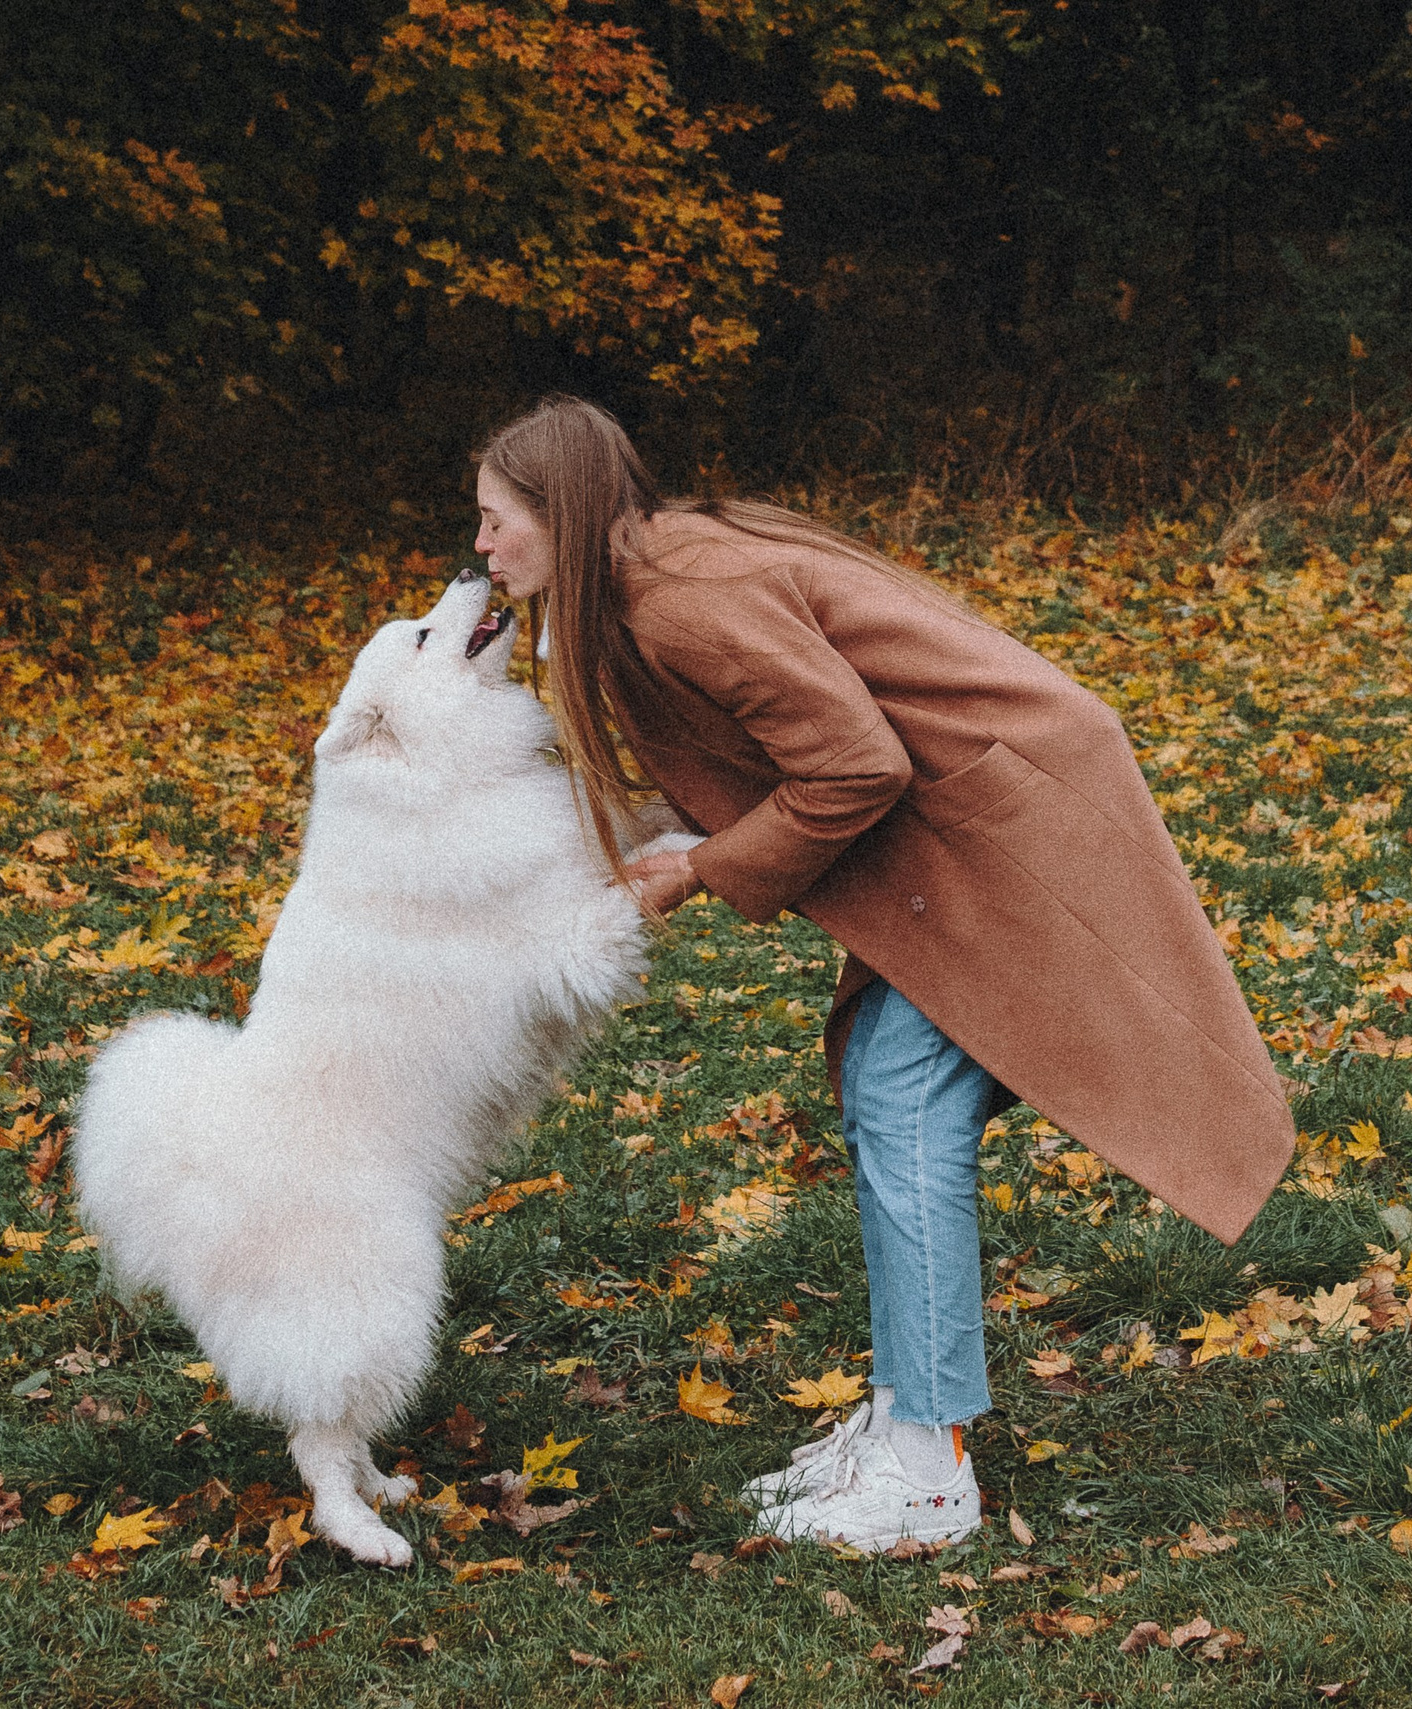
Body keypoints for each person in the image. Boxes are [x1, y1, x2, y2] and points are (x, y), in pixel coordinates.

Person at [469, 395, 1297, 1551]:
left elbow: (854, 765)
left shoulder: (681, 601)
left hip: (1002, 820)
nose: (483, 547)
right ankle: (913, 1413)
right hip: (966, 813)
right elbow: (759, 748)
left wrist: (697, 870)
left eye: (495, 518)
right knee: (882, 1077)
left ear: (558, 510)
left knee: (902, 1096)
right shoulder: (654, 569)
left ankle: (925, 1468)